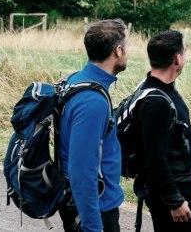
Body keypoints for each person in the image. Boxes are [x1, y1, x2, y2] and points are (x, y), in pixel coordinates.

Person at [133, 30, 191, 231]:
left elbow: (165, 139)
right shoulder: (156, 102)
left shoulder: (157, 88)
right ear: (177, 59)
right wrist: (175, 201)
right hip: (172, 190)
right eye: (184, 52)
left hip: (180, 182)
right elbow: (154, 157)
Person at [59, 19, 128, 232]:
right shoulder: (93, 101)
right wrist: (92, 226)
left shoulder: (76, 80)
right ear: (117, 51)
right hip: (96, 208)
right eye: (127, 47)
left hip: (85, 202)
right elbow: (81, 169)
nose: (128, 52)